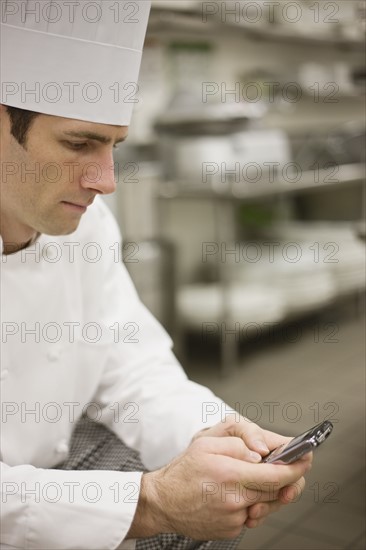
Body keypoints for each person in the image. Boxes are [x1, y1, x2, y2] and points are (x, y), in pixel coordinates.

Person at [0, 1, 312, 549]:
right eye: (79, 143)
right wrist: (151, 501)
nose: (106, 181)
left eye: (114, 146)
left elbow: (132, 366)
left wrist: (222, 435)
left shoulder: (88, 225)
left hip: (53, 456)